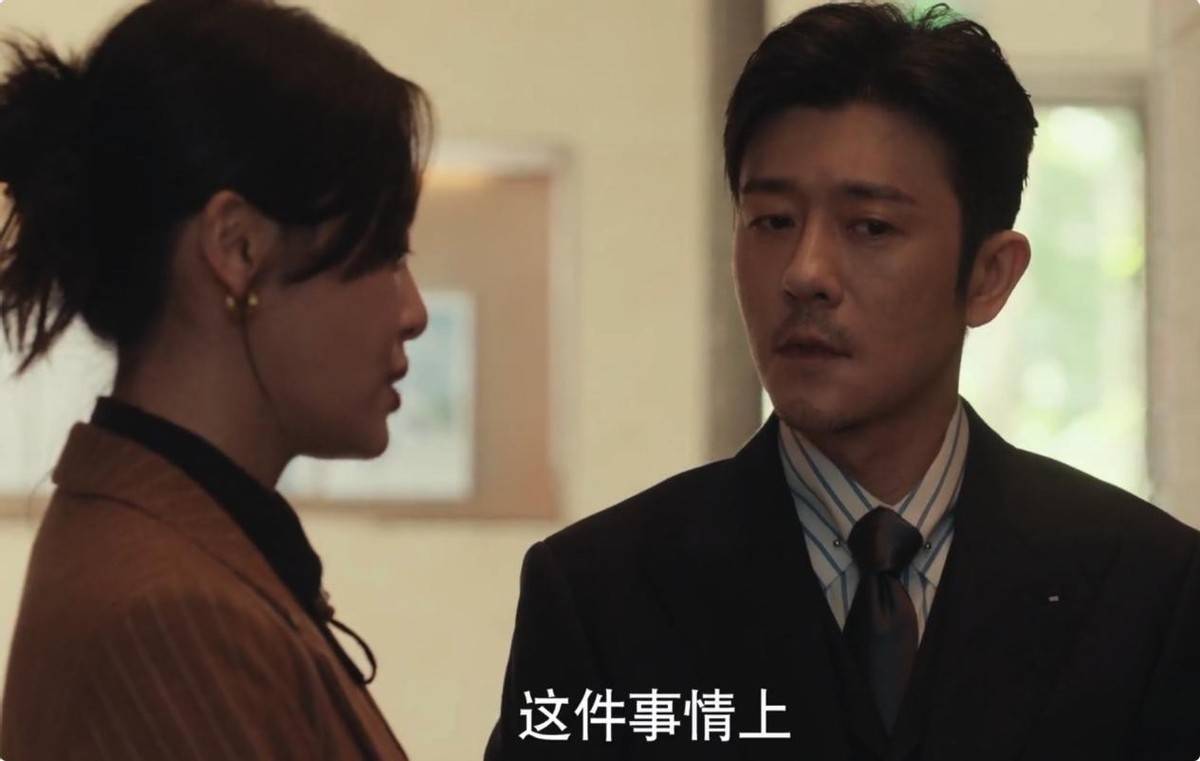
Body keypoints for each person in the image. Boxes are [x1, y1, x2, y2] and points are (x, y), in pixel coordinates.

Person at [485, 3, 1200, 760]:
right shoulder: (600, 593)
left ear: (990, 275)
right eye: (772, 221)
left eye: (870, 227)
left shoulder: (1146, 588)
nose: (805, 274)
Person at [0, 0, 429, 758]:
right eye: (385, 253)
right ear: (237, 249)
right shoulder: (167, 615)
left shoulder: (186, 548)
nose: (414, 312)